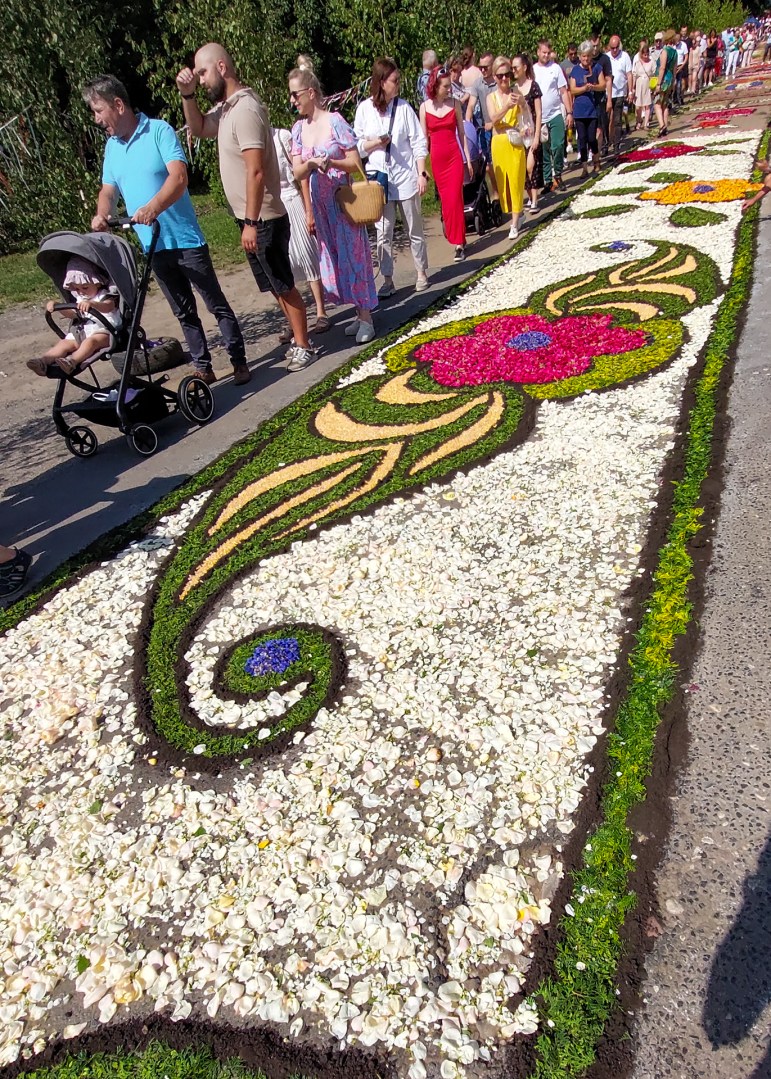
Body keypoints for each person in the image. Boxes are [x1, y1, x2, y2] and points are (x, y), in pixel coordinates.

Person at [83, 74, 249, 387]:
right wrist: (102, 213)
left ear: (118, 105)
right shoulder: (112, 148)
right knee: (183, 312)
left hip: (184, 238)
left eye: (98, 110)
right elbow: (108, 190)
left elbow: (179, 177)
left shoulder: (159, 131)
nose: (96, 118)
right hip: (153, 244)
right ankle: (204, 366)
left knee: (215, 303)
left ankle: (238, 360)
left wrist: (153, 208)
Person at [177, 45, 316, 372]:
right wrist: (187, 96)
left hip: (263, 217)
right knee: (273, 285)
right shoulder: (227, 109)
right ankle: (297, 339)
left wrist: (252, 222)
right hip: (249, 219)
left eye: (203, 72)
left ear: (222, 67)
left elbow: (255, 170)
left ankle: (305, 344)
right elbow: (197, 128)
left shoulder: (246, 109)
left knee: (283, 283)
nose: (199, 79)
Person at [287, 66, 378, 342]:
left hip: (343, 201)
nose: (293, 101)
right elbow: (296, 171)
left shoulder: (335, 121)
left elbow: (355, 163)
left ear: (311, 93)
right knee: (337, 258)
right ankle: (357, 312)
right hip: (322, 205)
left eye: (295, 94)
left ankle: (367, 317)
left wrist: (331, 162)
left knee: (354, 255)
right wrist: (311, 165)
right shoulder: (299, 129)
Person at [354, 57, 429, 296]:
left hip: (406, 176)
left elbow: (418, 142)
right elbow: (355, 146)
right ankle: (387, 279)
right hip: (380, 180)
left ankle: (421, 272)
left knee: (413, 227)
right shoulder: (365, 110)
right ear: (381, 82)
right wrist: (375, 143)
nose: (398, 84)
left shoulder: (404, 108)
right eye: (394, 80)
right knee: (382, 232)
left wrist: (421, 173)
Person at [273, 127, 329, 336]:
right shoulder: (253, 146)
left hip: (292, 200)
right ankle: (293, 321)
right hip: (273, 207)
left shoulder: (282, 137)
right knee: (284, 262)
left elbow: (301, 175)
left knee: (307, 255)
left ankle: (321, 312)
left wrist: (309, 210)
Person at [26, 256, 121, 376]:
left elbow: (109, 307)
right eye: (77, 289)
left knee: (90, 342)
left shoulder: (105, 296)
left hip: (106, 332)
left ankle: (71, 361)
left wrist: (93, 304)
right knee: (64, 344)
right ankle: (43, 362)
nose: (81, 292)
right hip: (83, 332)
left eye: (85, 287)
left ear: (97, 283)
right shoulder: (79, 299)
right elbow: (72, 314)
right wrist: (57, 307)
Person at [420, 66, 472, 261]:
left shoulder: (455, 104)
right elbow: (423, 140)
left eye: (450, 86)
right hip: (437, 159)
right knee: (447, 201)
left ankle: (459, 243)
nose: (448, 90)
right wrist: (422, 168)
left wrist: (466, 157)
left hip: (454, 156)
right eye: (445, 86)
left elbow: (462, 133)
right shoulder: (424, 107)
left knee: (456, 198)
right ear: (435, 86)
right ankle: (455, 235)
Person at [487, 56, 527, 239]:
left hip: (515, 141)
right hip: (499, 142)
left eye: (507, 75)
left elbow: (525, 113)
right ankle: (517, 215)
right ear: (494, 77)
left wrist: (522, 104)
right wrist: (506, 105)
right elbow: (494, 119)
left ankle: (514, 222)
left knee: (516, 181)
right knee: (504, 186)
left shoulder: (516, 91)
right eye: (500, 75)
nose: (504, 79)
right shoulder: (491, 97)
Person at [534, 40, 571, 192]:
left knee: (558, 145)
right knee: (545, 150)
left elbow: (563, 91)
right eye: (544, 52)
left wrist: (569, 112)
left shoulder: (555, 68)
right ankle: (548, 180)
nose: (546, 55)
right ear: (538, 52)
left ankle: (558, 174)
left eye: (548, 53)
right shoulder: (532, 70)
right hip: (540, 116)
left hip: (555, 113)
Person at [513, 54, 542, 213]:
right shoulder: (513, 89)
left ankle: (535, 201)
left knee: (531, 166)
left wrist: (537, 135)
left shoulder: (534, 86)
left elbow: (538, 112)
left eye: (516, 67)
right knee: (523, 169)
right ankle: (531, 198)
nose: (514, 70)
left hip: (532, 133)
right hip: (520, 134)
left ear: (524, 67)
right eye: (512, 68)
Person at [570, 43, 604, 176]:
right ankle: (584, 167)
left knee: (591, 138)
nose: (586, 59)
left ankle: (596, 161)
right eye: (584, 56)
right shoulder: (575, 71)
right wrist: (583, 88)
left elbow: (603, 84)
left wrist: (593, 87)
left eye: (588, 56)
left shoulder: (596, 67)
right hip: (579, 110)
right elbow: (572, 89)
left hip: (592, 109)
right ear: (580, 56)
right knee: (582, 140)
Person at [606, 36, 633, 157]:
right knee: (607, 120)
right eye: (612, 48)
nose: (615, 50)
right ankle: (607, 143)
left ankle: (616, 146)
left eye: (617, 47)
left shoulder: (625, 56)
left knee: (617, 120)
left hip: (620, 93)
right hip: (607, 94)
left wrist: (631, 91)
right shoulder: (606, 57)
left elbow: (629, 74)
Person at [591, 36, 613, 157]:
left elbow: (608, 79)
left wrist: (609, 99)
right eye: (593, 46)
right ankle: (594, 150)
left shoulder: (604, 59)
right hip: (589, 97)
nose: (595, 49)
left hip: (600, 96)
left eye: (597, 46)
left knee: (602, 123)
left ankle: (603, 146)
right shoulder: (586, 59)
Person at [654, 30, 679, 136]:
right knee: (665, 104)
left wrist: (658, 84)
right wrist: (673, 80)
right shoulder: (674, 52)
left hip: (663, 79)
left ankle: (661, 125)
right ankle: (665, 127)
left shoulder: (665, 51)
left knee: (657, 103)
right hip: (669, 80)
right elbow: (674, 68)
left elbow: (662, 67)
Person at [632, 42, 655, 130]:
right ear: (641, 54)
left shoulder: (651, 62)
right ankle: (639, 121)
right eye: (644, 54)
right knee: (638, 106)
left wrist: (653, 86)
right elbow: (634, 75)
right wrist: (633, 88)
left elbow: (654, 74)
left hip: (647, 84)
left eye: (647, 54)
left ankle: (646, 123)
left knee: (647, 105)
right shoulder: (637, 63)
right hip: (639, 84)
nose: (646, 56)